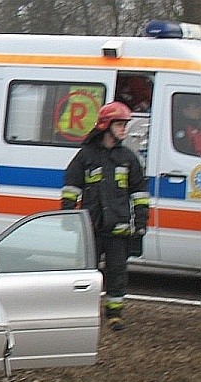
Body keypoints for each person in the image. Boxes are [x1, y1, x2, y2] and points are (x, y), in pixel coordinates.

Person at [61, 101, 149, 331]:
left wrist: (140, 222)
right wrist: (68, 215)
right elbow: (72, 187)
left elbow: (139, 193)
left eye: (125, 125)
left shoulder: (128, 158)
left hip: (119, 228)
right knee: (86, 272)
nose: (124, 130)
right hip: (91, 227)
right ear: (106, 125)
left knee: (117, 272)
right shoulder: (86, 156)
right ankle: (83, 313)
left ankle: (114, 315)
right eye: (120, 124)